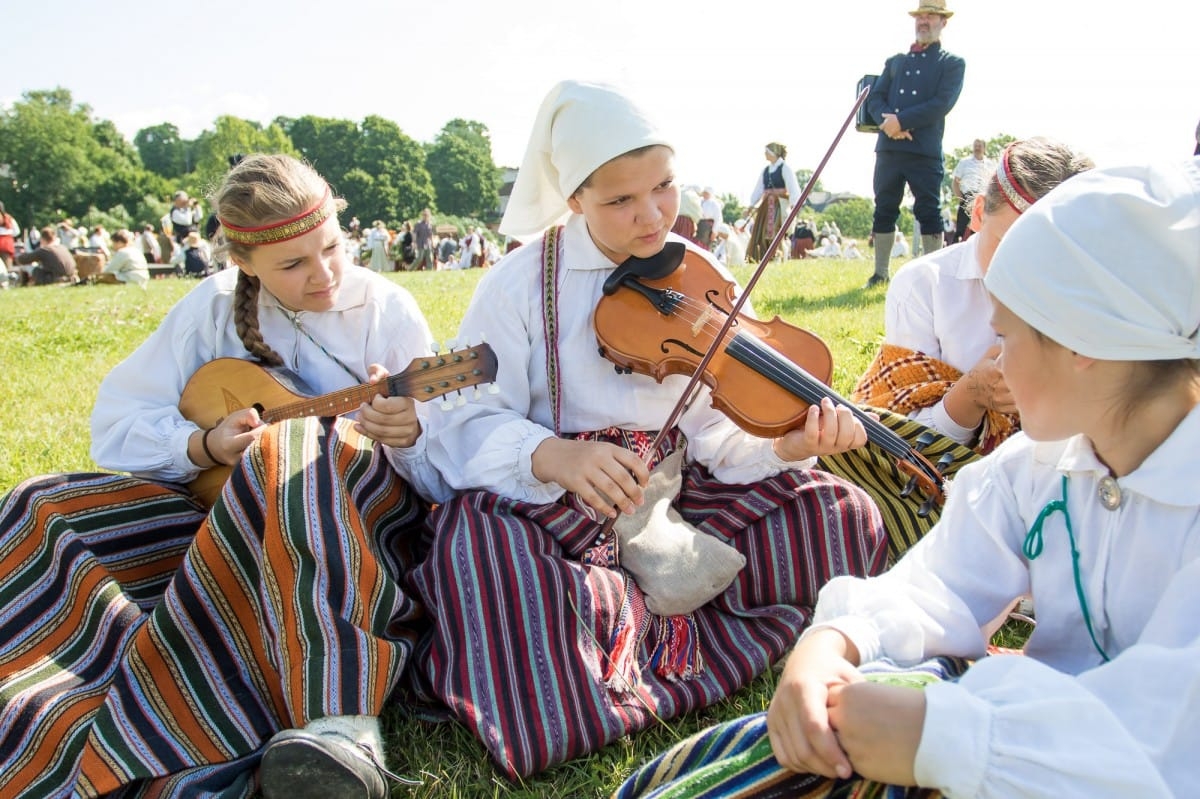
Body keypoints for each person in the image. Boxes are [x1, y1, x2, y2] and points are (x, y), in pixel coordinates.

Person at [616, 157, 1200, 799]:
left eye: (1005, 335)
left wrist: (947, 737)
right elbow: (940, 581)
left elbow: (1168, 740)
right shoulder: (1037, 464)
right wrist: (834, 642)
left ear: (1083, 343)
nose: (994, 357)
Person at [407, 79, 887, 782]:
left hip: (676, 501)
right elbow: (464, 420)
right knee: (478, 547)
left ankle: (629, 644)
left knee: (838, 514)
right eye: (620, 201)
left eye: (664, 187)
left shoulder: (701, 273)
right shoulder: (514, 286)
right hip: (555, 516)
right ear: (573, 200)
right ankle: (600, 667)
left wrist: (787, 445)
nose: (652, 215)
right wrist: (551, 454)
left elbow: (721, 437)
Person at [0, 153, 449, 799]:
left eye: (331, 248)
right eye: (293, 264)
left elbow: (441, 468)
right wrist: (202, 442)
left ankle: (339, 724)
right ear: (243, 262)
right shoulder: (208, 306)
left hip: (349, 531)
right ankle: (31, 678)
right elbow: (118, 420)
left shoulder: (387, 309)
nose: (323, 274)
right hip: (219, 522)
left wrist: (404, 430)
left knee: (292, 447)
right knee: (40, 502)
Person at [863, 0, 965, 289]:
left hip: (924, 149)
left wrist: (902, 121)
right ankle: (880, 273)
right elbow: (874, 98)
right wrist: (889, 124)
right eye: (920, 15)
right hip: (890, 149)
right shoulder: (896, 62)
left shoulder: (952, 63)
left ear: (943, 22)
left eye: (931, 15)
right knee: (884, 208)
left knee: (928, 211)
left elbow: (941, 103)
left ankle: (934, 276)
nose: (924, 21)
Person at [747, 141, 801, 262]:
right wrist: (751, 204)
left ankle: (778, 255)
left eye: (767, 152)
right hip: (766, 205)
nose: (765, 154)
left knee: (774, 230)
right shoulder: (766, 170)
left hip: (779, 204)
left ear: (774, 153)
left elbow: (792, 187)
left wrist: (793, 205)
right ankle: (762, 257)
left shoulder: (785, 168)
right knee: (761, 230)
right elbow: (759, 188)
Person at [950, 138, 994, 243]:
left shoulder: (990, 164)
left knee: (979, 229)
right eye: (975, 145)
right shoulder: (964, 162)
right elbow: (955, 182)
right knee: (961, 228)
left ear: (984, 148)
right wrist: (961, 199)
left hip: (983, 198)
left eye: (979, 146)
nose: (977, 148)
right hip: (967, 197)